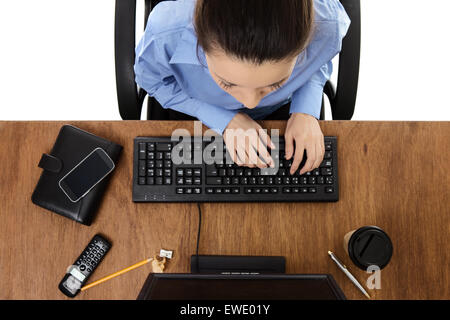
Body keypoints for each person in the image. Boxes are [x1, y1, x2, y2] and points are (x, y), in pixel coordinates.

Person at [135, 0, 350, 174]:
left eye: (275, 82)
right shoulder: (166, 33)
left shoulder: (327, 24)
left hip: (285, 110)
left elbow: (320, 57)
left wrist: (305, 109)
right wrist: (222, 118)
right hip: (197, 110)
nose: (249, 103)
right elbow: (152, 80)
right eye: (227, 82)